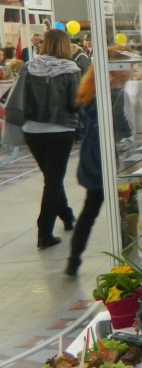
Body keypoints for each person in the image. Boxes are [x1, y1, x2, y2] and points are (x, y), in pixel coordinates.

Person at [17, 29, 81, 249]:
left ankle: (66, 215)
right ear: (65, 45)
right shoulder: (71, 69)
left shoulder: (29, 67)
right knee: (53, 180)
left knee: (51, 178)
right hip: (60, 130)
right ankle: (44, 232)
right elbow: (75, 103)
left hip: (32, 129)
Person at [66, 66, 102, 276]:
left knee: (89, 210)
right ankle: (74, 257)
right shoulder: (105, 99)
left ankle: (74, 258)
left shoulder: (89, 96)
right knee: (92, 209)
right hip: (102, 161)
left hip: (92, 160)